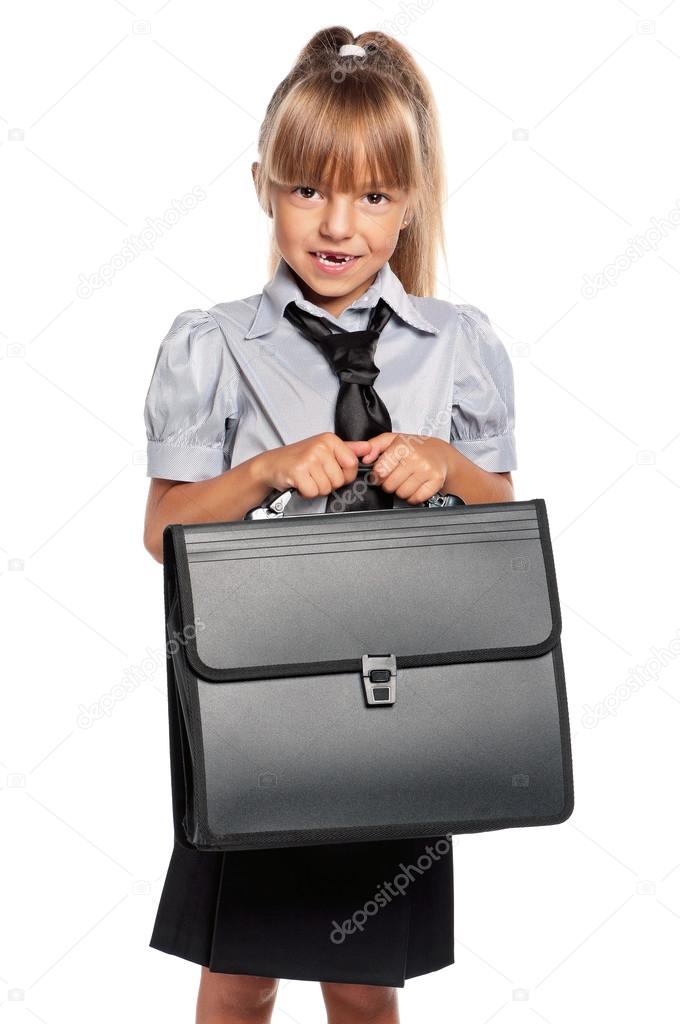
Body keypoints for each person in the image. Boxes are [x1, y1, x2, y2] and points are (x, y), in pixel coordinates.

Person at [142, 25, 517, 1024]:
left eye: (371, 195)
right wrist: (264, 471)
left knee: (360, 981)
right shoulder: (212, 345)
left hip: (393, 701)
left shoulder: (458, 346)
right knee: (239, 974)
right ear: (264, 183)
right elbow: (161, 528)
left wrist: (444, 466)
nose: (336, 222)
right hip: (255, 702)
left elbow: (503, 524)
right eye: (308, 189)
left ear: (410, 201)